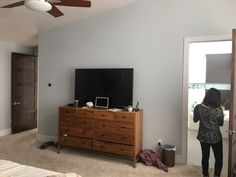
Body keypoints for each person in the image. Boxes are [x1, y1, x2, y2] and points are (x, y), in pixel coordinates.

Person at [193, 88, 224, 177]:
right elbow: (221, 124)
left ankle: (205, 175)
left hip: (203, 137)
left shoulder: (198, 107)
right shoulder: (219, 110)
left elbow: (195, 120)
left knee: (205, 157)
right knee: (218, 158)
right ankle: (216, 175)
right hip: (216, 138)